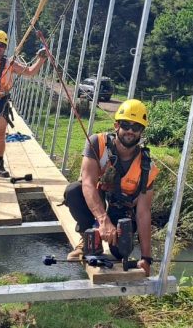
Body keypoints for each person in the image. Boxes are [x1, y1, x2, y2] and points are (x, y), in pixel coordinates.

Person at [63, 99, 158, 276]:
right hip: (97, 204)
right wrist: (103, 221)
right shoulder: (97, 143)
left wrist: (146, 258)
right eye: (126, 124)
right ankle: (88, 238)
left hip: (122, 210)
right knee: (73, 191)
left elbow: (144, 212)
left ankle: (114, 243)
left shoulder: (147, 167)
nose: (130, 130)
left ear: (141, 132)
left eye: (136, 127)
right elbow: (88, 184)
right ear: (116, 125)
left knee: (119, 252)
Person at [0, 30, 47, 179]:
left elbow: (30, 72)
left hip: (1, 103)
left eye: (2, 46)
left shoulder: (9, 64)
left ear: (5, 48)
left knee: (0, 136)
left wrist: (41, 59)